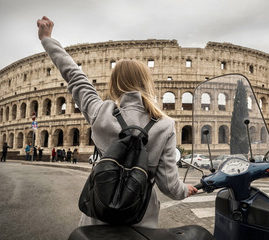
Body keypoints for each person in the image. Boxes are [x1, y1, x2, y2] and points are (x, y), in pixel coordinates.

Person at [37, 16, 197, 228]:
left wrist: (47, 39)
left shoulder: (101, 112)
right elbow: (169, 186)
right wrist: (186, 189)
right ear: (147, 82)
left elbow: (75, 76)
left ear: (114, 84)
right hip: (140, 219)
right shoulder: (164, 124)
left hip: (97, 216)